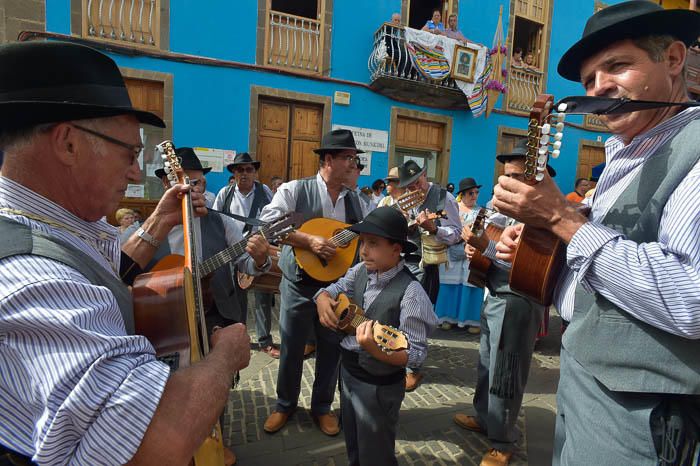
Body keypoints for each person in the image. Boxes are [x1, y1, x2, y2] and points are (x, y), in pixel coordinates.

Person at [0, 41, 252, 465]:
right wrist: (225, 358)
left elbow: (101, 270)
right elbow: (151, 443)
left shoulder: (57, 219)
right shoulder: (31, 277)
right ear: (68, 144)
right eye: (129, 153)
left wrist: (158, 222)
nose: (136, 171)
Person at [492, 3, 700, 464]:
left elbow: (692, 302)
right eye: (588, 81)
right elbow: (611, 257)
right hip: (584, 376)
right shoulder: (626, 156)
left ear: (672, 59)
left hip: (639, 407)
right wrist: (539, 247)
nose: (600, 87)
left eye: (617, 66)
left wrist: (565, 221)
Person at [260, 129, 366, 437]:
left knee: (331, 349)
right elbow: (268, 226)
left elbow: (366, 235)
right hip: (298, 283)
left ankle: (322, 407)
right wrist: (307, 240)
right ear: (329, 159)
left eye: (355, 159)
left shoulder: (355, 202)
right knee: (291, 347)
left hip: (334, 287)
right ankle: (284, 404)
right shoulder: (294, 190)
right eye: (349, 158)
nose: (353, 165)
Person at [453, 140, 550, 466]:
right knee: (485, 364)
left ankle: (503, 441)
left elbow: (527, 264)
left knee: (506, 372)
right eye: (505, 175)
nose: (507, 182)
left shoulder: (541, 216)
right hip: (495, 294)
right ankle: (485, 418)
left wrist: (485, 247)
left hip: (518, 300)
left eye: (516, 176)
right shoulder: (503, 211)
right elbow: (490, 246)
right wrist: (476, 250)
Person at [316, 207, 437, 466]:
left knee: (376, 451)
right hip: (348, 375)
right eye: (362, 243)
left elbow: (415, 353)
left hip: (380, 388)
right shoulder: (360, 271)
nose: (364, 251)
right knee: (354, 443)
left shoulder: (412, 292)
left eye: (373, 244)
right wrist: (323, 299)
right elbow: (334, 288)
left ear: (396, 249)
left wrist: (377, 350)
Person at [151, 149, 271, 343]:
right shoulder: (150, 229)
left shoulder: (222, 222)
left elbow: (244, 263)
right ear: (166, 183)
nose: (191, 189)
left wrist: (260, 259)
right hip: (170, 320)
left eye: (196, 183)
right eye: (183, 182)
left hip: (218, 314)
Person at [397, 160, 461, 391]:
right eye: (409, 186)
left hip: (427, 265)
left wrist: (434, 228)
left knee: (418, 316)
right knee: (400, 313)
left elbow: (456, 234)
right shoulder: (405, 200)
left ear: (425, 175)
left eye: (417, 183)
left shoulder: (445, 198)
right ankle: (399, 359)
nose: (414, 189)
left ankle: (413, 368)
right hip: (404, 261)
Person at [212, 152, 278, 357]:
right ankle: (236, 339)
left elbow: (274, 216)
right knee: (233, 297)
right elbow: (215, 220)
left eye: (249, 169)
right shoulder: (225, 193)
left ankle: (264, 340)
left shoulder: (264, 191)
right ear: (234, 172)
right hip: (232, 252)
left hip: (256, 247)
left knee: (262, 297)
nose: (244, 173)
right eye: (240, 169)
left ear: (255, 173)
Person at [434, 178, 484, 333]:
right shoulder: (451, 210)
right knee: (450, 285)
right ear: (462, 195)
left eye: (476, 192)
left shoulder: (481, 212)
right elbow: (443, 229)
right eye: (471, 193)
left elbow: (481, 232)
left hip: (471, 254)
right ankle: (447, 318)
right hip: (451, 253)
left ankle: (470, 320)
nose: (474, 195)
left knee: (471, 286)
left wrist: (473, 238)